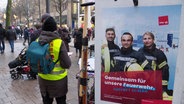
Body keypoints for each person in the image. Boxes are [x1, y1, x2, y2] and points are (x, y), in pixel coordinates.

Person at [37, 16, 71, 104]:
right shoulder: (59, 42)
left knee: (46, 102)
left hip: (43, 79)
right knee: (61, 102)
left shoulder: (37, 41)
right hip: (58, 81)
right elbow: (67, 64)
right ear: (55, 28)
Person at [138, 32, 170, 98]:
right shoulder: (140, 51)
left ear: (153, 40)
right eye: (145, 39)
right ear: (142, 40)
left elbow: (164, 72)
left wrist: (163, 89)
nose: (147, 41)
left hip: (155, 85)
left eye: (149, 38)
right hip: (142, 84)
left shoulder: (159, 54)